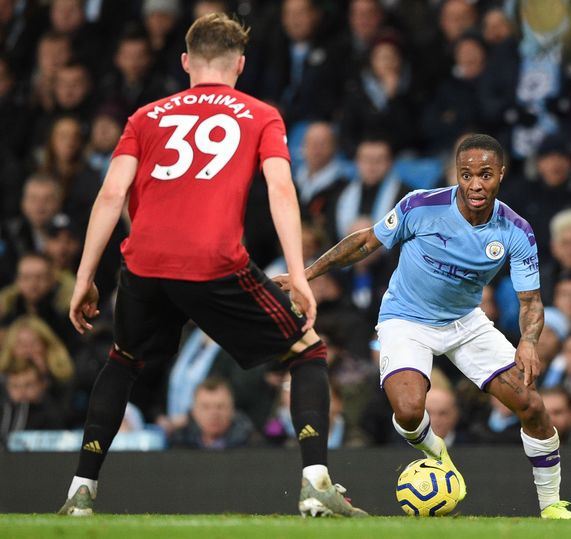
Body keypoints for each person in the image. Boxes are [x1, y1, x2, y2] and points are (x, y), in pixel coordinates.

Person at [57, 13, 366, 518]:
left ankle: (80, 492)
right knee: (306, 353)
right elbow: (282, 191)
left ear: (185, 62)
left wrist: (84, 277)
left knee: (122, 360)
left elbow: (111, 193)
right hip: (213, 261)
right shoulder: (261, 114)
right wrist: (300, 274)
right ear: (240, 64)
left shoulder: (146, 116)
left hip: (145, 263)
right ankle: (316, 484)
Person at [276, 133, 571, 519]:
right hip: (405, 318)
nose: (474, 184)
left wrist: (529, 341)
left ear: (501, 174)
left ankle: (552, 506)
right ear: (457, 173)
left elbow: (530, 301)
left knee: (532, 405)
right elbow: (366, 243)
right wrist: (307, 274)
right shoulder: (421, 205)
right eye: (466, 174)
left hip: (466, 323)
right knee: (408, 409)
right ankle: (438, 453)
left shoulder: (516, 231)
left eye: (485, 175)